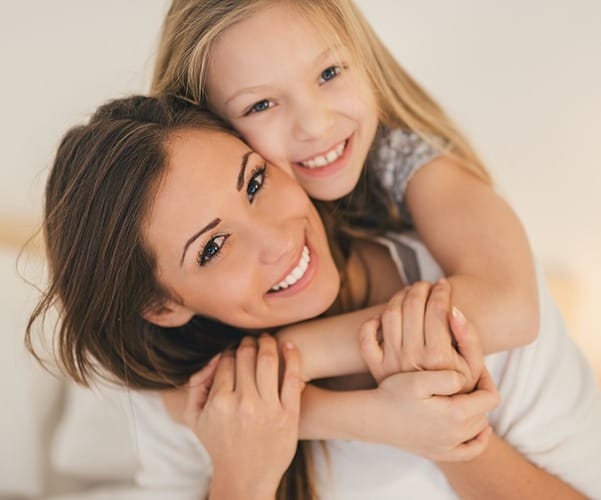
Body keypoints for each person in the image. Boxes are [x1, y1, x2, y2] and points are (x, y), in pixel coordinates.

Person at [26, 95, 599, 499]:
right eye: (214, 246)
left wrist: (451, 440)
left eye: (254, 182)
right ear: (165, 306)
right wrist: (244, 476)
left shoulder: (472, 293)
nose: (277, 238)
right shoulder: (177, 405)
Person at [151, 0, 541, 356]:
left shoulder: (403, 159)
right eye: (261, 105)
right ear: (208, 129)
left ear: (363, 58)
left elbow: (511, 307)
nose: (315, 125)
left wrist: (293, 355)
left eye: (329, 72)